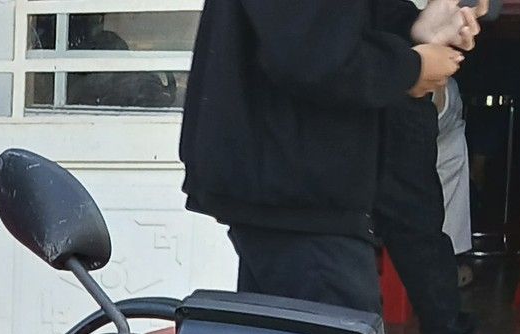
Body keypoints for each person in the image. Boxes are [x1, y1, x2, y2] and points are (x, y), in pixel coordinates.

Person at [181, 0, 474, 314]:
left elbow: (332, 22)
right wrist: (408, 68)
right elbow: (311, 52)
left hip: (286, 180)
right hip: (297, 185)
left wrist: (412, 27)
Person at [375, 3, 520, 334]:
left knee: (414, 186)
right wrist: (415, 56)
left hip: (379, 66)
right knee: (423, 179)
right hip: (377, 75)